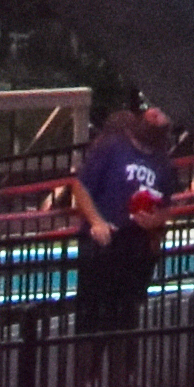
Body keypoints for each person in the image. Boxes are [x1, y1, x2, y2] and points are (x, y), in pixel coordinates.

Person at [62, 98, 169, 366]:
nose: (156, 114)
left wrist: (155, 221)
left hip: (135, 245)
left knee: (125, 319)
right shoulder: (113, 147)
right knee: (93, 320)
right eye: (154, 110)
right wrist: (97, 221)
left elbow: (168, 204)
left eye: (163, 113)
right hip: (103, 243)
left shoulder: (163, 163)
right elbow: (81, 186)